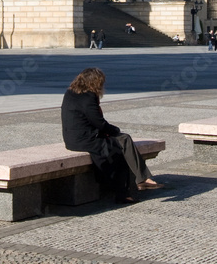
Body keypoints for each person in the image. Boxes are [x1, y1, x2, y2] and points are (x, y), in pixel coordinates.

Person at [61, 67, 162, 204]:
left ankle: (141, 179)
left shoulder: (70, 92)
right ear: (95, 83)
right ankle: (129, 189)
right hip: (86, 140)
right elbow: (99, 123)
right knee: (119, 148)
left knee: (123, 140)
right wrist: (115, 130)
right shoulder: (89, 97)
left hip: (73, 139)